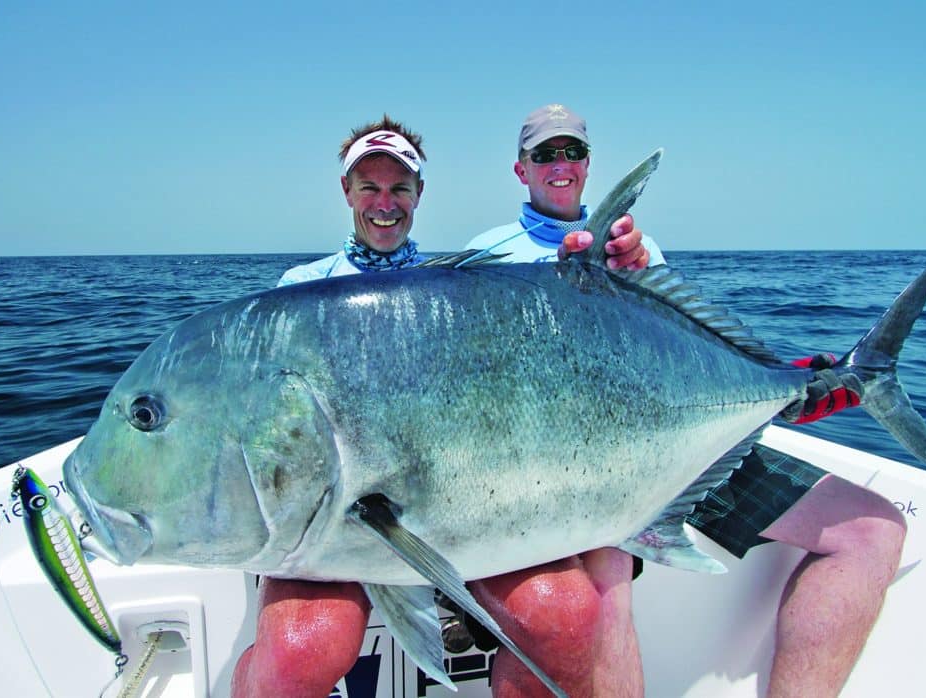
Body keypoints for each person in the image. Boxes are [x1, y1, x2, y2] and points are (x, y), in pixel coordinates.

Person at [462, 103, 908, 697]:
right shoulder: (484, 260)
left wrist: (790, 380)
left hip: (689, 446)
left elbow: (688, 363)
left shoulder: (635, 250)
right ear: (521, 169)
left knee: (872, 532)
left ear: (589, 164)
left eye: (571, 151)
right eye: (544, 154)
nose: (559, 164)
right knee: (610, 577)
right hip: (582, 473)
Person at [231, 114, 651, 698]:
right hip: (332, 512)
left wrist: (622, 268)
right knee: (300, 653)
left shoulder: (462, 290)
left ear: (419, 195)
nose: (385, 202)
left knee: (564, 618)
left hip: (459, 504)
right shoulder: (298, 291)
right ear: (347, 192)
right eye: (370, 187)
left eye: (399, 188)